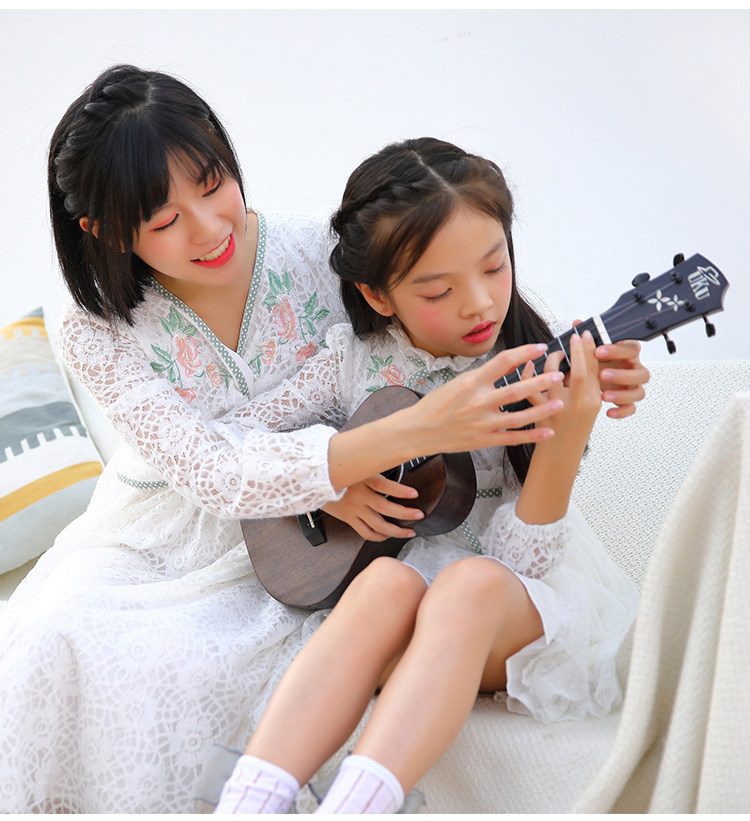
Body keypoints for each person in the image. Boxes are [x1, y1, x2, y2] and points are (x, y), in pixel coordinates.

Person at [0, 65, 648, 814]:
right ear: (106, 231)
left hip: (350, 539)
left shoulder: (324, 252)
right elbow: (219, 466)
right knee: (60, 640)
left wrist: (577, 374)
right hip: (182, 532)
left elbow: (452, 312)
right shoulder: (94, 331)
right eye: (164, 220)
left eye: (213, 185)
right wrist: (340, 470)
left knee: (367, 609)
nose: (208, 228)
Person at [212, 137, 641, 815]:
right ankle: (247, 804)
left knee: (468, 585)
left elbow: (520, 565)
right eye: (439, 290)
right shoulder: (350, 362)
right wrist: (331, 481)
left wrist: (566, 437)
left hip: (509, 609)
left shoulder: (540, 354)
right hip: (396, 608)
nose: (481, 304)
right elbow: (239, 448)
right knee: (385, 582)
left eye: (495, 267)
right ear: (376, 294)